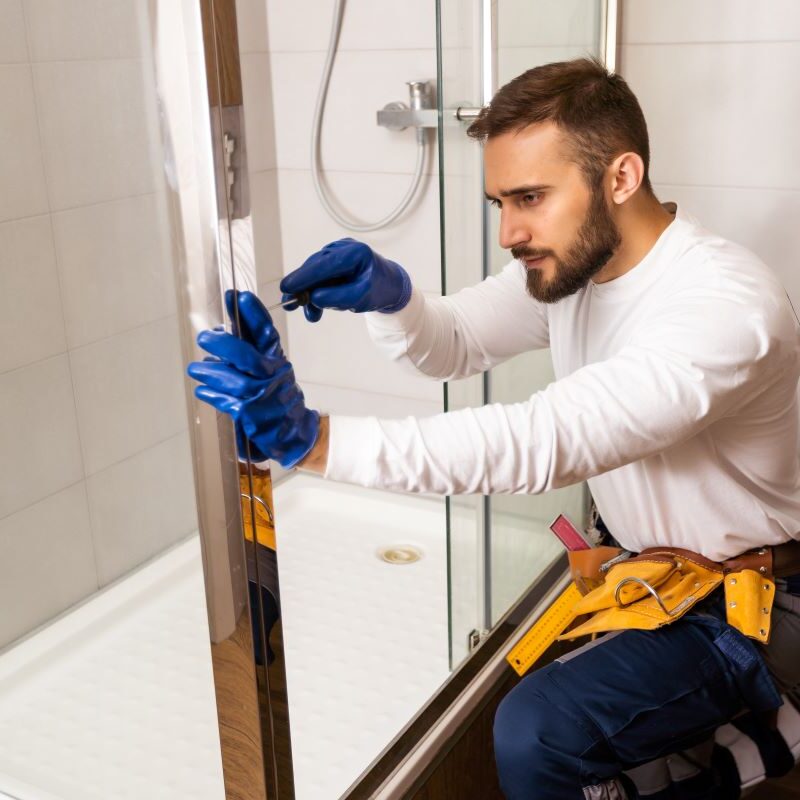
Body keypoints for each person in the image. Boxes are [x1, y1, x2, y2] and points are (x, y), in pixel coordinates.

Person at [187, 58, 800, 798]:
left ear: (622, 176)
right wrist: (394, 298)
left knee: (536, 731)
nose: (510, 231)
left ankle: (774, 717)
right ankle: (742, 750)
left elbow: (543, 440)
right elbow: (454, 342)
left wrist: (313, 442)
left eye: (530, 198)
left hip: (758, 609)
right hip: (657, 577)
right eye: (498, 203)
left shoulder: (723, 307)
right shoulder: (576, 271)